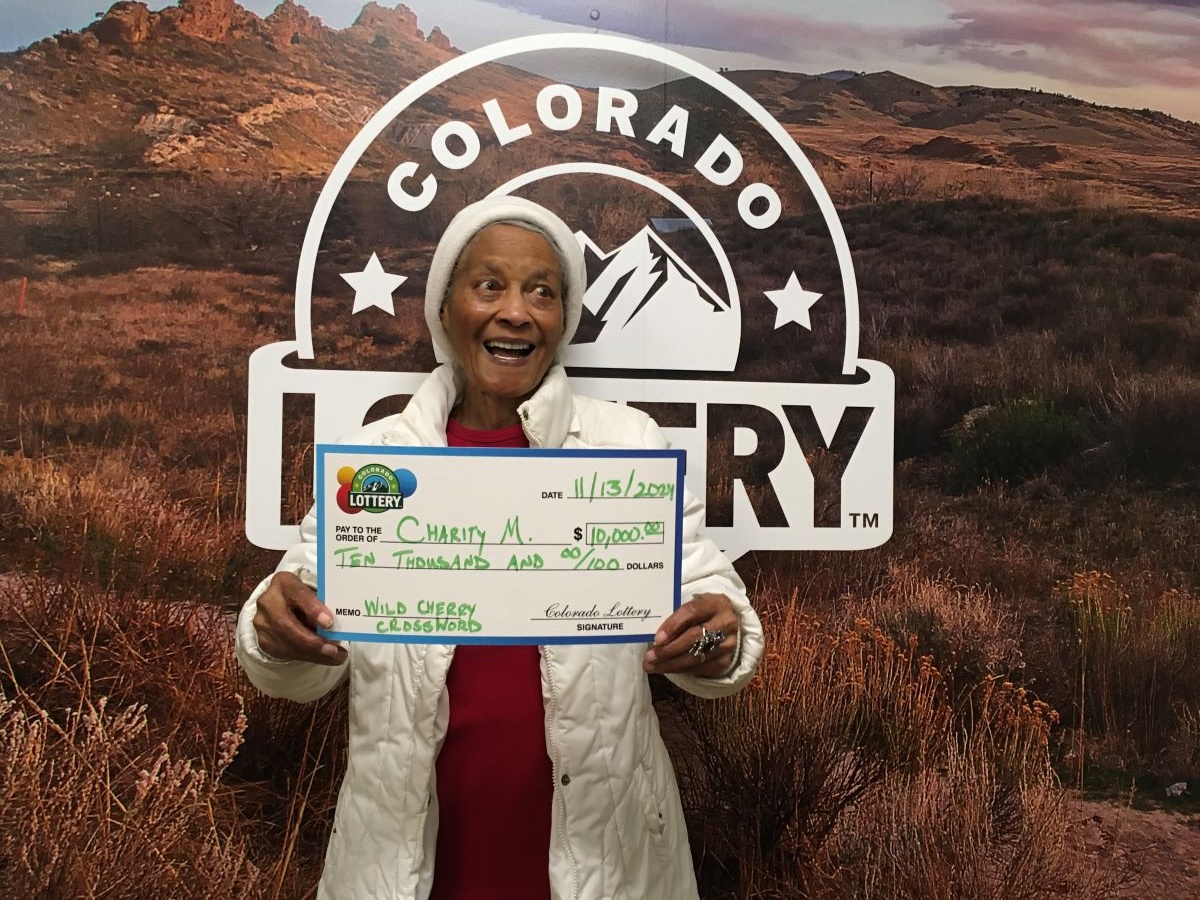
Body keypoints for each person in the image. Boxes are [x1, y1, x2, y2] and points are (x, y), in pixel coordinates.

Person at [236, 196, 764, 900]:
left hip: (605, 868)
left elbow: (719, 619)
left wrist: (715, 641)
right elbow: (295, 641)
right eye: (490, 285)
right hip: (403, 869)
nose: (516, 311)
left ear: (563, 322)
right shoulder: (379, 458)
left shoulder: (627, 447)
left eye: (542, 292)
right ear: (445, 310)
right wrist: (276, 632)